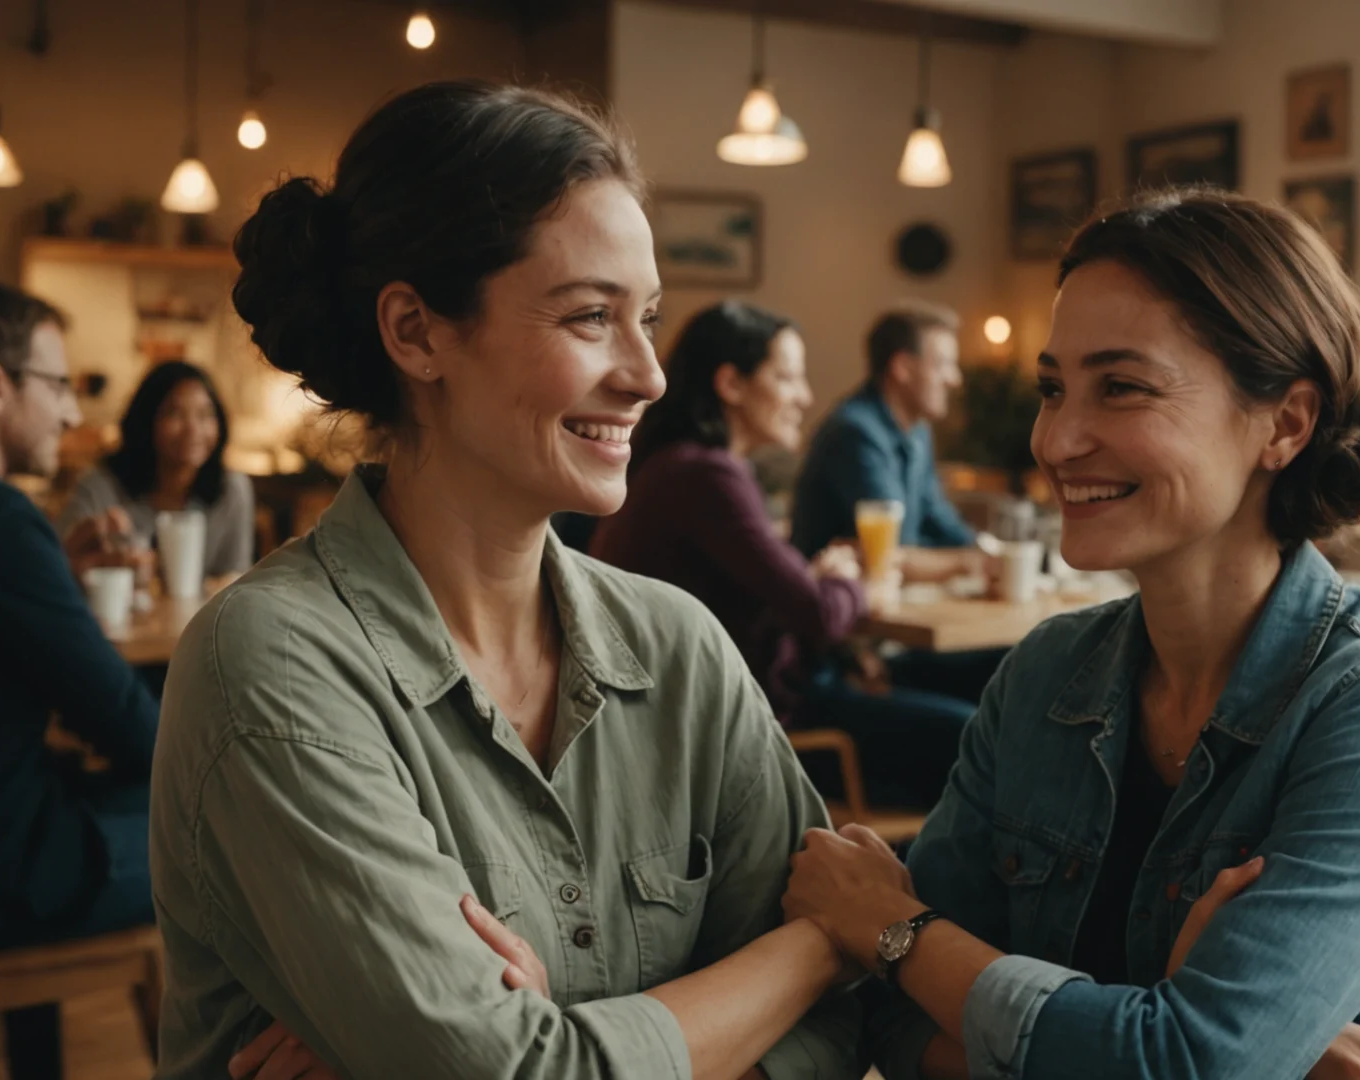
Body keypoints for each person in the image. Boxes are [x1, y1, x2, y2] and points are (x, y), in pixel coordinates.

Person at [148, 82, 861, 1080]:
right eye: (588, 317)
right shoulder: (270, 664)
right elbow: (523, 1073)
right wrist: (821, 943)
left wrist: (563, 1040)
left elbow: (849, 1023)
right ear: (417, 333)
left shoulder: (680, 644)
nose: (649, 374)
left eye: (647, 317)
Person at [781, 189, 1360, 1079]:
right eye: (1052, 389)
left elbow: (1185, 1057)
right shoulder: (1043, 674)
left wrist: (897, 935)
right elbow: (882, 1017)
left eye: (1121, 387)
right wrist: (1126, 1042)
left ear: (1285, 422)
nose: (1058, 439)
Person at [592, 300, 971, 808]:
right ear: (731, 385)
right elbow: (818, 613)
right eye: (788, 378)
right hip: (753, 731)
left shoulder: (682, 467)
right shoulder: (706, 476)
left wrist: (821, 582)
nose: (806, 396)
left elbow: (775, 593)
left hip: (739, 706)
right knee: (972, 736)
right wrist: (853, 584)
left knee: (963, 698)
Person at [0, 282, 158, 1080]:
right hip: (8, 873)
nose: (68, 413)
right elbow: (120, 715)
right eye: (57, 385)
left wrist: (54, 568)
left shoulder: (17, 536)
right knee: (229, 840)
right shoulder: (3, 523)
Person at [790, 303, 983, 581]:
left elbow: (938, 518)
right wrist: (970, 563)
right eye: (943, 365)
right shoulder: (855, 432)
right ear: (902, 367)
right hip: (831, 609)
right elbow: (891, 551)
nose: (955, 379)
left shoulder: (917, 430)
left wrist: (988, 552)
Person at [58, 360, 256, 578]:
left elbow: (235, 576)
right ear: (146, 420)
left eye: (205, 415)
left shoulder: (232, 489)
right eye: (175, 414)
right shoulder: (100, 488)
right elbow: (57, 562)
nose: (193, 429)